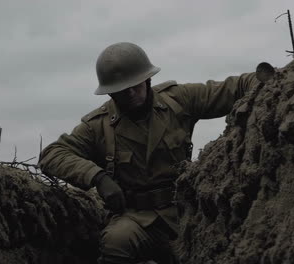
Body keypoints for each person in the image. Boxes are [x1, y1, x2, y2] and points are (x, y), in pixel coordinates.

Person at [39, 42, 262, 264]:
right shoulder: (98, 125)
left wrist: (265, 81)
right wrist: (98, 177)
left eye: (135, 86)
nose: (130, 93)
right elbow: (52, 154)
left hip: (186, 210)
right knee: (116, 241)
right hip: (137, 217)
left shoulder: (178, 100)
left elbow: (236, 87)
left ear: (147, 79)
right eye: (121, 91)